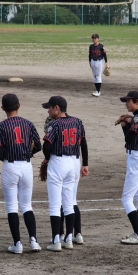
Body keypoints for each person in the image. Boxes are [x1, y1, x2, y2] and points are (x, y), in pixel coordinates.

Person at [0, 94, 42, 254]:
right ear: (19, 106)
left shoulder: (0, 127)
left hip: (10, 166)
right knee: (27, 205)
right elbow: (38, 146)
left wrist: (6, 157)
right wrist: (28, 153)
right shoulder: (28, 124)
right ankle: (34, 241)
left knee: (12, 206)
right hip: (26, 166)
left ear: (3, 108)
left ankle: (17, 244)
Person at [41, 96, 88, 251]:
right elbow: (83, 144)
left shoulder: (55, 124)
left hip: (58, 163)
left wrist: (47, 159)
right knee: (69, 203)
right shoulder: (77, 122)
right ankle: (69, 238)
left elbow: (46, 146)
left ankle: (56, 241)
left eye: (50, 108)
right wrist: (85, 164)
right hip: (74, 163)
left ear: (57, 108)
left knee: (55, 205)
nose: (48, 111)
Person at [118, 91, 138, 244]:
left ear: (137, 102)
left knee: (126, 199)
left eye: (128, 101)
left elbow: (129, 138)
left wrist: (125, 125)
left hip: (137, 159)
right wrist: (129, 122)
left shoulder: (137, 118)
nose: (126, 104)